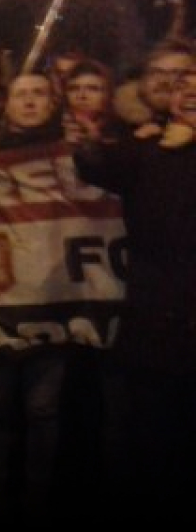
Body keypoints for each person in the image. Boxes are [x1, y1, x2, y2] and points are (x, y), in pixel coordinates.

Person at [71, 65, 196, 511]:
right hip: (157, 310)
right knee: (153, 426)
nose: (190, 93)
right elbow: (101, 167)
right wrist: (88, 145)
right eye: (182, 85)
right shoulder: (146, 149)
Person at [0, 71, 71, 512]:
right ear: (7, 105)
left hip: (55, 299)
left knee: (42, 408)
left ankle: (37, 493)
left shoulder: (74, 157)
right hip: (1, 301)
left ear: (52, 103)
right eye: (21, 95)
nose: (30, 102)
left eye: (38, 94)